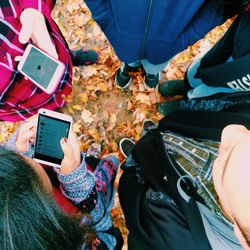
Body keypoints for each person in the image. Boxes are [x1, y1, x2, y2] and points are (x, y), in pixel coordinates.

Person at [118, 101, 250, 249]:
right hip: (173, 139)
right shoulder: (237, 131)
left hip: (147, 172)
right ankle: (152, 137)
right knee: (153, 141)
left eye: (226, 161)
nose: (230, 130)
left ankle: (136, 153)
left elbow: (132, 201)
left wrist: (132, 168)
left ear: (241, 236)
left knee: (141, 159)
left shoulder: (174, 241)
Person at [1, 114, 123, 249]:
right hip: (91, 206)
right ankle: (104, 185)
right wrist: (78, 183)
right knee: (101, 183)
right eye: (20, 160)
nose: (19, 155)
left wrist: (18, 149)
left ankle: (93, 165)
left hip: (60, 183)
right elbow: (107, 236)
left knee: (88, 163)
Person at [84, 0, 226, 89]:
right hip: (122, 32)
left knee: (155, 65)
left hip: (168, 40)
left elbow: (223, 6)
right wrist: (103, 16)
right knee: (128, 57)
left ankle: (151, 73)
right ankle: (128, 67)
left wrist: (191, 35)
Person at [0, 0, 99, 122]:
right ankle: (54, 107)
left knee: (60, 58)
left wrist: (34, 10)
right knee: (49, 109)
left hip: (46, 40)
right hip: (23, 103)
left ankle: (72, 59)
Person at [157, 0, 250, 115]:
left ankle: (187, 102)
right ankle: (187, 85)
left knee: (218, 90)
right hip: (241, 34)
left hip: (244, 77)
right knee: (209, 62)